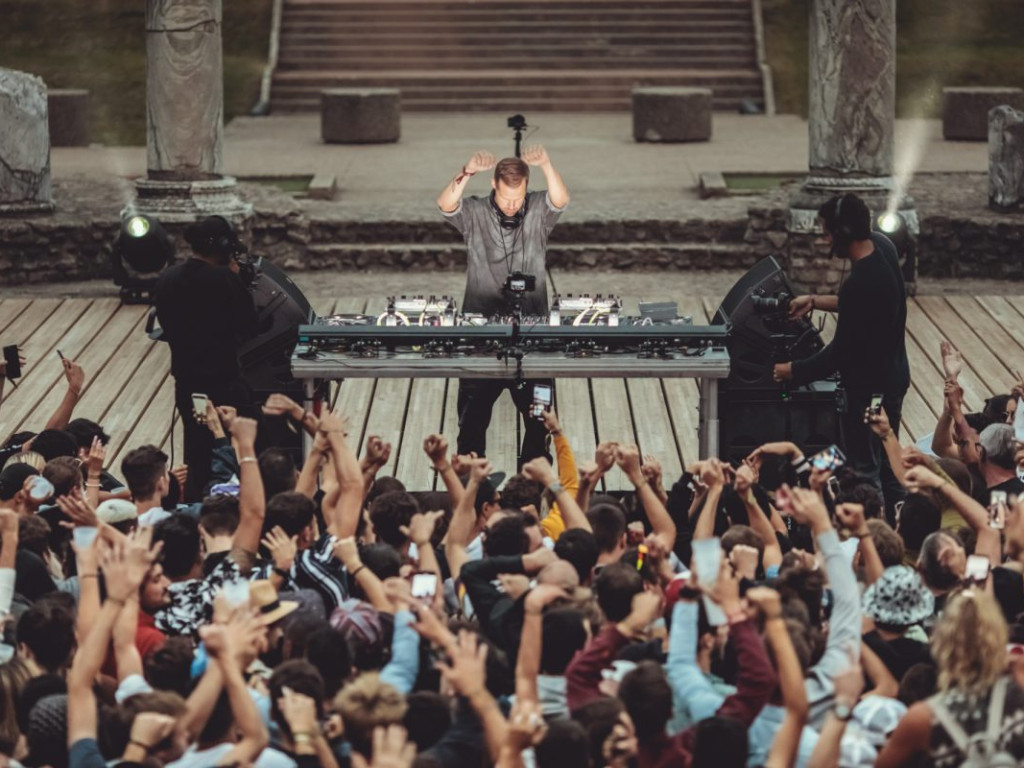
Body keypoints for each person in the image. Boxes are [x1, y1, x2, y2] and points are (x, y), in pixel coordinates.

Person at [773, 193, 910, 511]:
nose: (824, 239)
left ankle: (872, 536)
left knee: (865, 469)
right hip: (894, 377)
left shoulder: (860, 282)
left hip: (870, 390)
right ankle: (903, 523)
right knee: (890, 461)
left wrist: (791, 370)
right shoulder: (883, 248)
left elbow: (839, 354)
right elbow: (864, 308)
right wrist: (815, 299)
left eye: (827, 231)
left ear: (843, 232)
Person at [437, 146, 570, 465]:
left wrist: (548, 166)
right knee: (470, 424)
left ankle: (533, 484)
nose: (512, 205)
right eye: (506, 197)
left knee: (540, 421)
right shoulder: (475, 211)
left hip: (535, 338)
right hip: (480, 340)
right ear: (494, 186)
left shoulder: (537, 207)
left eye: (518, 198)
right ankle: (472, 489)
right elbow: (445, 204)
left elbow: (561, 199)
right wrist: (467, 170)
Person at [154, 215, 257, 501]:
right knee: (234, 443)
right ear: (223, 247)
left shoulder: (167, 278)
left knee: (196, 447)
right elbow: (249, 324)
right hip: (224, 384)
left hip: (187, 385)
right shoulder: (224, 279)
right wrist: (238, 281)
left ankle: (197, 501)